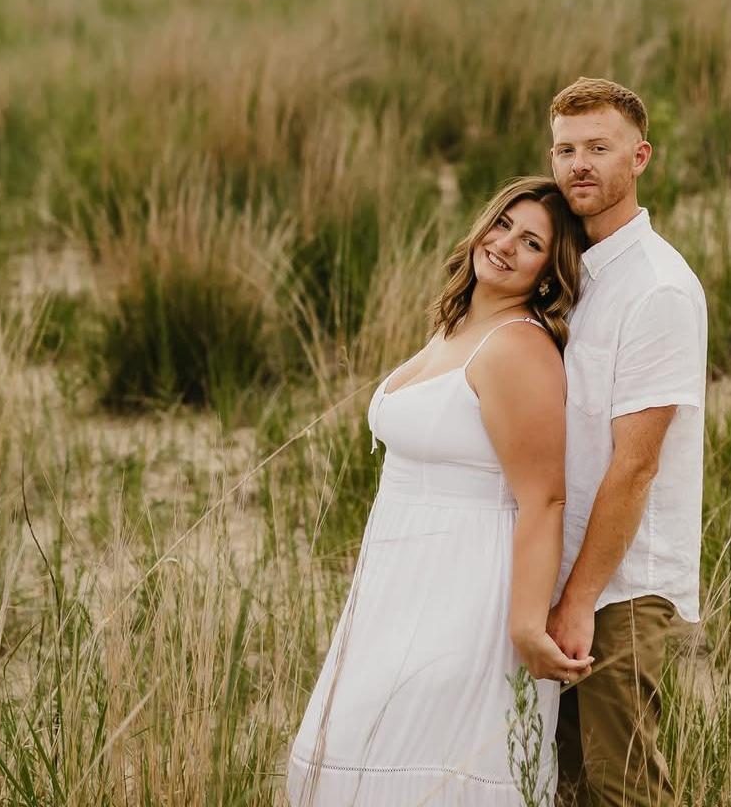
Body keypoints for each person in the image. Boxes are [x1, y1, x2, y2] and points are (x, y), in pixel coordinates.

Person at [286, 175, 593, 807]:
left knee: (425, 759)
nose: (505, 244)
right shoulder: (455, 328)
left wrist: (525, 625)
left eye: (531, 243)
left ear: (547, 274)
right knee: (358, 749)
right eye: (503, 224)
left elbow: (544, 499)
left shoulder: (519, 347)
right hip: (399, 581)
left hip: (465, 589)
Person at [545, 78, 709, 807]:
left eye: (598, 148)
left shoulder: (657, 288)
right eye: (565, 150)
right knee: (563, 783)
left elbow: (636, 466)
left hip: (620, 585)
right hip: (564, 571)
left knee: (624, 787)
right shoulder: (573, 274)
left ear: (639, 157)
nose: (579, 164)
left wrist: (580, 599)